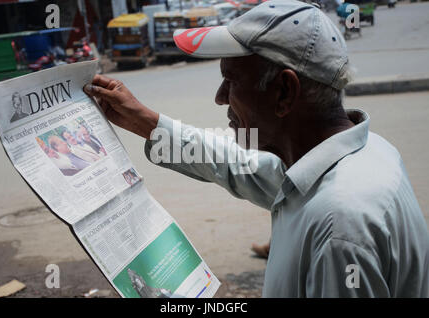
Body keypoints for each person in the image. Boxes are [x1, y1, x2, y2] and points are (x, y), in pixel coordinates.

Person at [84, 0, 429, 297]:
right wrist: (145, 122)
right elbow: (234, 164)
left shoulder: (339, 224)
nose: (220, 97)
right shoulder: (353, 156)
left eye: (231, 81)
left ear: (283, 92)